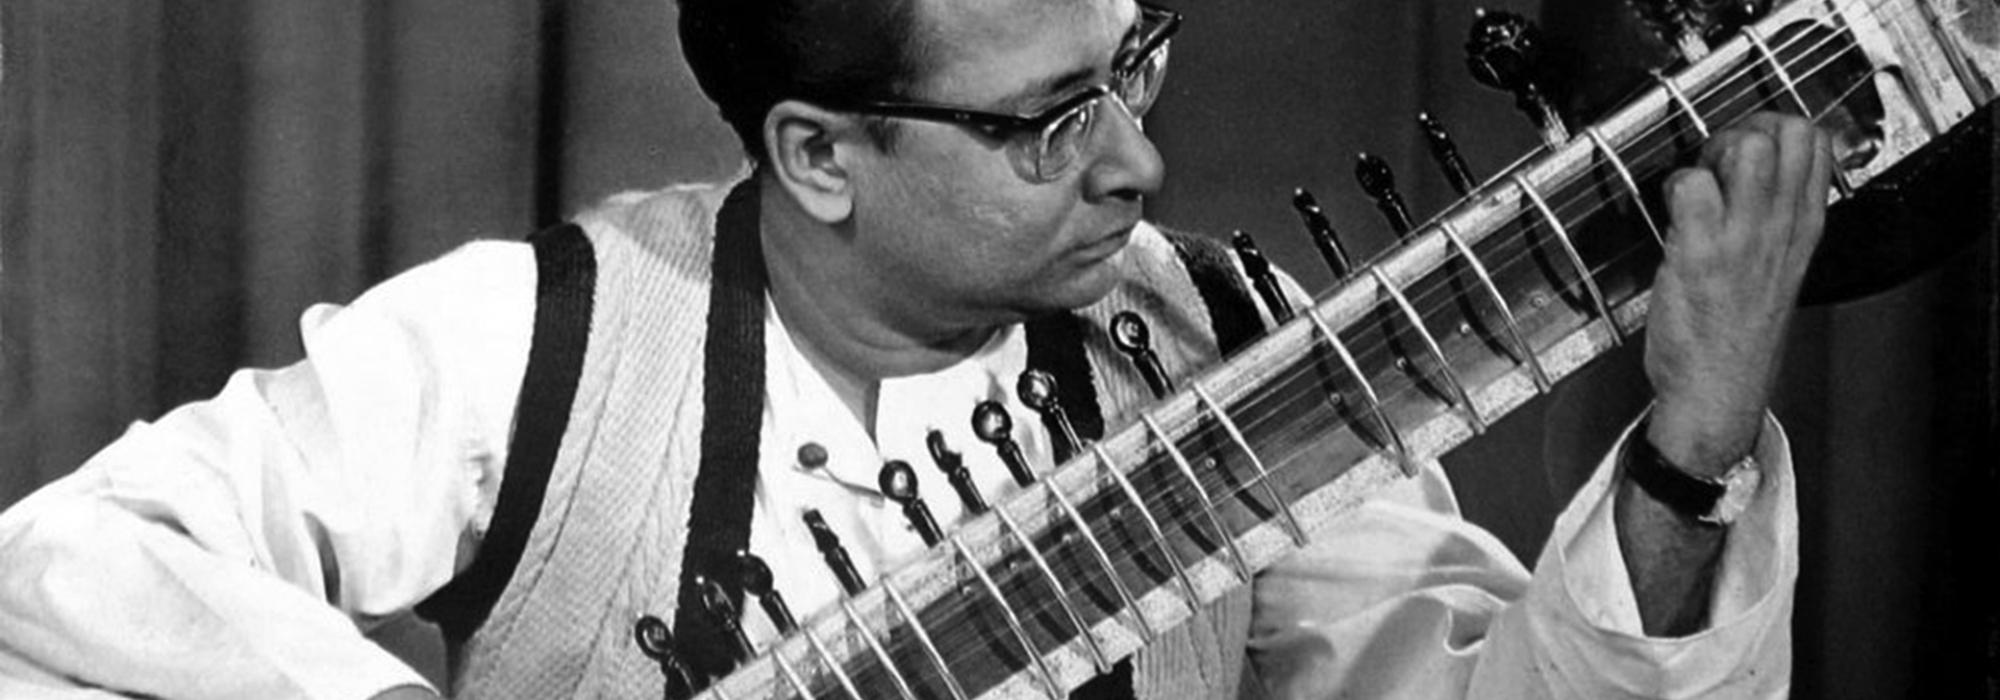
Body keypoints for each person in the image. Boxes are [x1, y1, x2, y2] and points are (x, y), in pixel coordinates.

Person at [0, 0, 1832, 697]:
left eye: (1135, 62)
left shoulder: (1215, 350)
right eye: (1048, 122)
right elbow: (59, 583)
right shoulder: (543, 341)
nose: (1138, 164)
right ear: (820, 155)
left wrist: (1687, 457)